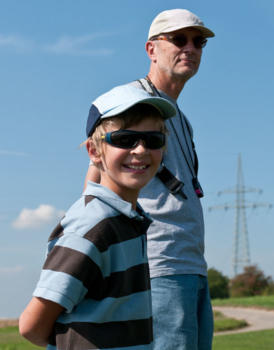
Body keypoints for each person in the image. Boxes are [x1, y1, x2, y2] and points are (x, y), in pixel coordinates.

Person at [84, 9, 215, 350]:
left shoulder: (180, 118)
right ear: (151, 49)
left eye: (198, 41)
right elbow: (94, 185)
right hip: (156, 264)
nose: (190, 48)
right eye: (178, 39)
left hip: (191, 264)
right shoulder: (125, 101)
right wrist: (95, 259)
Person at [19, 84, 176, 349]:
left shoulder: (128, 220)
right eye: (125, 140)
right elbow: (31, 326)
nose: (140, 150)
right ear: (94, 152)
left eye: (153, 140)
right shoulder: (92, 226)